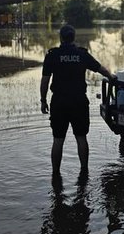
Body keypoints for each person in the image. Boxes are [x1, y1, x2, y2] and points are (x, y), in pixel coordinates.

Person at [40, 25, 111, 175]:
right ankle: (84, 171)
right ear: (73, 38)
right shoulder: (82, 54)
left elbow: (45, 81)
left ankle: (55, 174)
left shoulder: (53, 55)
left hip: (59, 102)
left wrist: (43, 100)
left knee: (58, 139)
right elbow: (101, 69)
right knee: (81, 137)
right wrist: (113, 77)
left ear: (61, 38)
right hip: (79, 101)